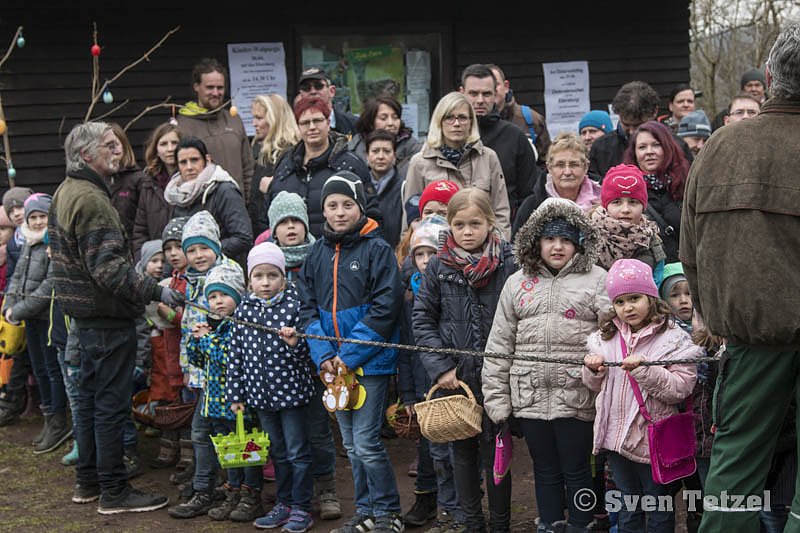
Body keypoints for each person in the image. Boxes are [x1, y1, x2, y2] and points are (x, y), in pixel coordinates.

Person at [680, 24, 800, 532]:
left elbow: (691, 251)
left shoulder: (720, 147)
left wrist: (713, 311)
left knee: (735, 466)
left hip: (751, 339)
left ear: (769, 77)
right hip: (755, 338)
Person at [50, 121, 183, 513]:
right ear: (87, 155)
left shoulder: (67, 189)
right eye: (108, 145)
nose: (117, 151)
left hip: (88, 319)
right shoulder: (90, 199)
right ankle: (113, 491)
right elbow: (109, 271)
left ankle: (88, 482)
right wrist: (159, 292)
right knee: (108, 406)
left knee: (91, 404)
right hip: (105, 319)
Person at [484, 198, 610, 533]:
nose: (557, 246)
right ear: (535, 241)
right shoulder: (516, 283)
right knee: (545, 469)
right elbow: (499, 345)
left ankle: (581, 524)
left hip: (578, 396)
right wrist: (497, 401)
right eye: (550, 239)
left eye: (566, 239)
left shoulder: (598, 280)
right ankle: (550, 523)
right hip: (529, 395)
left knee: (578, 468)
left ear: (579, 242)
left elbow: (612, 336)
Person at [298, 171, 405, 533]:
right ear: (323, 210)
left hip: (368, 364)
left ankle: (389, 512)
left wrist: (351, 354)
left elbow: (385, 307)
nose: (340, 212)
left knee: (366, 441)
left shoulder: (377, 249)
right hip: (332, 366)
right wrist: (324, 353)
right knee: (351, 444)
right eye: (332, 205)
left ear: (360, 206)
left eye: (347, 204)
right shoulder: (316, 253)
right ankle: (365, 512)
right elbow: (307, 307)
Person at [413, 188, 518, 533]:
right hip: (455, 379)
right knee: (462, 453)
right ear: (450, 226)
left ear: (490, 222)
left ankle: (501, 523)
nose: (468, 231)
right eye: (459, 224)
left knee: (497, 453)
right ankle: (472, 521)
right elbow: (423, 319)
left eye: (475, 223)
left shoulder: (508, 263)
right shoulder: (440, 267)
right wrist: (441, 366)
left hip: (498, 375)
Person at [582, 259, 700, 533]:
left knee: (657, 503)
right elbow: (595, 386)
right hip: (615, 437)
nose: (628, 307)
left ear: (650, 297)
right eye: (620, 302)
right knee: (626, 502)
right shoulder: (605, 337)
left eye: (634, 298)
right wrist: (592, 370)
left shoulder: (674, 339)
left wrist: (645, 370)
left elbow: (680, 388)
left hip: (653, 440)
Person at [228, 242, 316, 532]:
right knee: (277, 452)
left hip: (291, 395)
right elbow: (236, 354)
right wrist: (236, 394)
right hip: (259, 396)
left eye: (272, 275)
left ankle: (302, 506)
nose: (265, 283)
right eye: (258, 276)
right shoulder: (244, 308)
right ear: (249, 279)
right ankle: (285, 502)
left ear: (283, 276)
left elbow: (309, 355)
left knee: (297, 452)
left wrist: (295, 344)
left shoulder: (295, 304)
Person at [264, 190, 341, 520]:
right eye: (284, 222)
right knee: (285, 440)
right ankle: (295, 495)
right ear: (273, 229)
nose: (291, 227)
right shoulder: (264, 264)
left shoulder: (318, 256)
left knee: (318, 430)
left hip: (315, 362)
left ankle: (326, 488)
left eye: (296, 220)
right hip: (280, 373)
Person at [167, 210, 243, 518]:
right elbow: (188, 330)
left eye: (204, 248)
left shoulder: (227, 275)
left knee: (209, 432)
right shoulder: (190, 281)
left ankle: (213, 489)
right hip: (199, 371)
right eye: (192, 250)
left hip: (224, 375)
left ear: (217, 246)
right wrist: (188, 368)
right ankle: (210, 484)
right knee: (203, 432)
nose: (198, 255)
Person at [396, 214, 464, 531]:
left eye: (430, 253)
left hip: (456, 386)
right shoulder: (410, 296)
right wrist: (408, 394)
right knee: (437, 456)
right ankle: (446, 512)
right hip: (426, 393)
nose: (424, 261)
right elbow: (407, 351)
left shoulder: (456, 291)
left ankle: (465, 510)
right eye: (418, 255)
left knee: (460, 456)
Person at [4, 193, 71, 454]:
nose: (38, 221)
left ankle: (58, 418)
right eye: (34, 217)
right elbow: (17, 277)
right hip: (29, 318)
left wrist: (19, 309)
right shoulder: (28, 244)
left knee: (52, 369)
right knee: (40, 368)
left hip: (47, 318)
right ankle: (48, 417)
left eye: (43, 216)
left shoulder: (52, 245)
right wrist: (10, 304)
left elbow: (48, 287)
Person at [404, 92, 511, 238]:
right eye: (449, 117)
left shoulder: (488, 157)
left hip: (483, 249)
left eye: (462, 118)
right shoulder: (420, 162)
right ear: (439, 122)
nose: (456, 123)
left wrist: (499, 249)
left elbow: (501, 211)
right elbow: (411, 218)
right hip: (437, 251)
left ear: (471, 122)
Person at [266, 97, 372, 238]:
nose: (312, 127)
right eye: (305, 123)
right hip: (290, 255)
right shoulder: (285, 165)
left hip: (340, 252)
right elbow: (268, 214)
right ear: (298, 127)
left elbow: (371, 214)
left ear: (328, 123)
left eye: (317, 121)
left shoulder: (351, 165)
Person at [460, 64, 539, 212]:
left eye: (486, 94)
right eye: (473, 93)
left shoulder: (515, 137)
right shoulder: (451, 137)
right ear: (462, 92)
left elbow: (528, 196)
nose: (480, 100)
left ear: (495, 94)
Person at [177, 57, 254, 201]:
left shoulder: (234, 120)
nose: (216, 92)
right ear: (196, 87)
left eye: (220, 88)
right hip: (202, 208)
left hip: (237, 206)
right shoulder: (183, 125)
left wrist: (249, 202)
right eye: (210, 87)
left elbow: (248, 168)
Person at [164, 136, 252, 261]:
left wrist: (207, 252)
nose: (189, 167)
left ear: (207, 159)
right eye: (183, 162)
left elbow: (243, 237)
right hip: (189, 273)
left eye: (194, 160)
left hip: (224, 269)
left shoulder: (224, 190)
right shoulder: (177, 195)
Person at [147, 217, 190, 471]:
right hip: (172, 350)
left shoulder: (191, 280)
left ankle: (189, 457)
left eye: (178, 246)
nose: (173, 253)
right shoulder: (172, 278)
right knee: (173, 398)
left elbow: (194, 320)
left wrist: (169, 314)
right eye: (168, 248)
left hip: (187, 352)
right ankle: (174, 449)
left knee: (187, 404)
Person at [512, 132, 601, 238]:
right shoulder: (532, 206)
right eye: (560, 165)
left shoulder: (603, 201)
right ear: (549, 168)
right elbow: (517, 249)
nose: (567, 172)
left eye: (574, 164)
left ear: (586, 167)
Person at [623, 121, 689, 263]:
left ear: (667, 148)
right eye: (642, 147)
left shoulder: (686, 184)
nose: (649, 152)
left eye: (656, 145)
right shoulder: (626, 192)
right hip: (648, 272)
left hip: (685, 270)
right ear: (634, 153)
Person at [590, 164, 666, 276]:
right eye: (617, 202)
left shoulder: (652, 240)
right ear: (605, 206)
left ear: (643, 207)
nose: (625, 209)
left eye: (633, 202)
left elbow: (656, 283)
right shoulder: (589, 238)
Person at [0, 187, 33, 427]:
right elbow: (13, 275)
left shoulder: (41, 236)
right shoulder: (14, 244)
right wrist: (10, 304)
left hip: (39, 305)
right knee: (17, 355)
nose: (17, 213)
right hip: (19, 307)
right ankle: (11, 403)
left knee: (44, 364)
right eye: (12, 210)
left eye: (20, 207)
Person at [249, 94, 300, 236]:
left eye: (259, 118)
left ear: (274, 120)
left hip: (280, 233)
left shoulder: (290, 154)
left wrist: (272, 187)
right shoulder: (262, 151)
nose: (254, 123)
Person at [588, 81, 661, 179]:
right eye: (626, 124)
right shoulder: (601, 148)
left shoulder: (674, 145)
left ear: (655, 112)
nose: (631, 132)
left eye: (638, 125)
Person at [133, 122, 182, 256]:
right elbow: (140, 231)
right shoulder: (148, 184)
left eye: (174, 143)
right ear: (156, 150)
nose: (170, 148)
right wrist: (142, 261)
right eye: (163, 144)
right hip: (157, 259)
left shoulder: (191, 181)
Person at [487, 63, 551, 165]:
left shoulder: (532, 119)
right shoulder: (469, 121)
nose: (491, 90)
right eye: (487, 87)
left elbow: (547, 162)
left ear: (506, 86)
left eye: (496, 85)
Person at [346, 96, 423, 178]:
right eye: (383, 118)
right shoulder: (354, 148)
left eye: (395, 117)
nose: (391, 123)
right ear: (371, 123)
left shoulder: (413, 147)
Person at [108, 123, 146, 254]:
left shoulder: (138, 180)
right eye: (108, 146)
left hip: (132, 250)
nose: (112, 150)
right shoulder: (95, 182)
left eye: (115, 144)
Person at [365, 130, 405, 248]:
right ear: (367, 156)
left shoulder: (404, 187)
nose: (381, 156)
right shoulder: (359, 187)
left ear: (394, 156)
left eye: (386, 151)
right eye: (375, 151)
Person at [295, 66, 357, 135]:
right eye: (306, 88)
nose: (313, 91)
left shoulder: (354, 124)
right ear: (301, 95)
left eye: (318, 86)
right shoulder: (293, 128)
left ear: (331, 91)